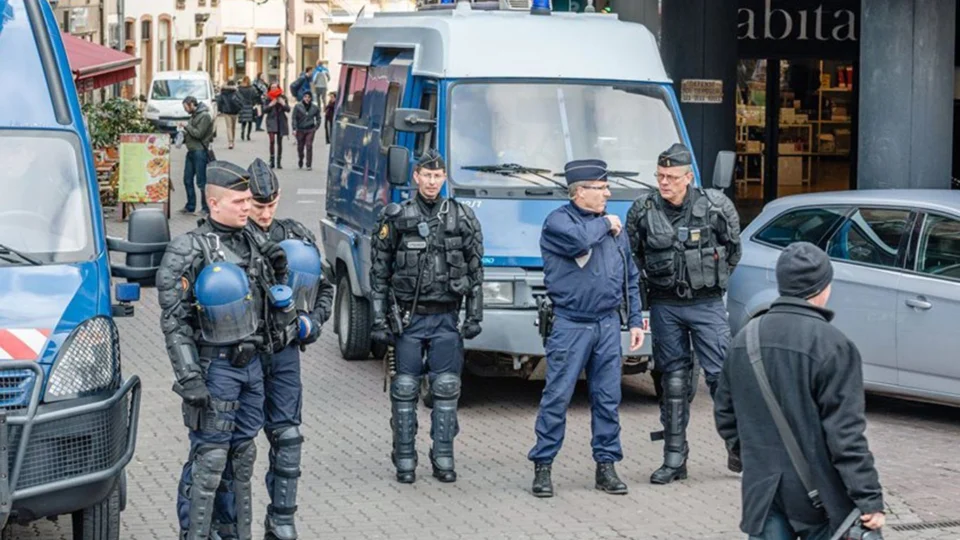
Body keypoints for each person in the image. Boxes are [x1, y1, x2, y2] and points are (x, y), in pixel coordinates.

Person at [714, 242, 886, 540]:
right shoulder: (834, 346)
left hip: (763, 490)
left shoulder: (744, 338)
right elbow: (845, 434)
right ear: (823, 287)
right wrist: (868, 497)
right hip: (821, 498)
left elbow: (725, 414)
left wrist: (752, 455)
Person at [156, 161, 290, 540]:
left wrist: (280, 275)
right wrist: (189, 377)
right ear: (214, 204)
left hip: (253, 367)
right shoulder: (188, 249)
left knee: (242, 457)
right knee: (209, 459)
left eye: (249, 200)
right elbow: (174, 320)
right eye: (239, 201)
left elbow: (274, 308)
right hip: (214, 368)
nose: (248, 208)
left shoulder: (256, 243)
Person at [223, 158, 332, 539]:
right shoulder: (229, 240)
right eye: (257, 205)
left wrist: (312, 323)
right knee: (237, 447)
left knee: (287, 437)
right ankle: (233, 526)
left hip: (284, 354)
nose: (265, 213)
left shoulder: (296, 234)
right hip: (244, 357)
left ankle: (282, 521)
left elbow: (326, 288)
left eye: (270, 205)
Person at [625, 142, 742, 485]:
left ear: (688, 177)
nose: (664, 183)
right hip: (666, 306)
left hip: (706, 305)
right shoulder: (642, 209)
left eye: (672, 177)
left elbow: (733, 251)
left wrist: (709, 282)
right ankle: (674, 458)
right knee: (672, 381)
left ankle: (738, 446)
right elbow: (633, 256)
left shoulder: (716, 206)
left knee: (722, 379)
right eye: (660, 176)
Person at [527, 159, 644, 498]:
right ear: (579, 192)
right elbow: (579, 243)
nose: (608, 193)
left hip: (607, 324)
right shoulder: (559, 223)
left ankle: (606, 466)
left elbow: (629, 277)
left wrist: (634, 319)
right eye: (601, 187)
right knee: (557, 396)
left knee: (608, 398)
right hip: (571, 323)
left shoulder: (612, 228)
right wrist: (607, 223)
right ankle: (543, 465)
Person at [369, 149, 484, 484]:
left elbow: (476, 271)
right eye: (426, 175)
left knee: (446, 388)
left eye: (438, 176)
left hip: (447, 317)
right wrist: (378, 320)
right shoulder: (396, 216)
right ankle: (404, 457)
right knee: (404, 389)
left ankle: (443, 455)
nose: (432, 182)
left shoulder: (462, 217)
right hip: (408, 318)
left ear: (444, 177)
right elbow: (379, 271)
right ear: (416, 176)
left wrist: (474, 315)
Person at [178, 96, 215, 216]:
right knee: (187, 179)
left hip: (199, 151)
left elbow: (199, 134)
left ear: (192, 104)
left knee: (201, 181)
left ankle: (205, 208)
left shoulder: (204, 116)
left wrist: (186, 126)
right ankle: (190, 206)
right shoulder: (194, 115)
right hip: (191, 151)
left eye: (186, 107)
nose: (185, 110)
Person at [291, 91, 321, 170]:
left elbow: (318, 118)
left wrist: (316, 127)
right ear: (303, 97)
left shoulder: (315, 107)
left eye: (308, 97)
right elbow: (294, 118)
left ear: (311, 98)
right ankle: (301, 159)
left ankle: (309, 164)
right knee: (300, 147)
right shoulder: (298, 106)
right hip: (300, 129)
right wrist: (294, 128)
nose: (307, 99)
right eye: (305, 97)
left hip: (310, 129)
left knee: (309, 145)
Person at [264, 84, 290, 169]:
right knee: (271, 141)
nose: (274, 89)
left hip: (281, 121)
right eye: (272, 87)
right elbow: (264, 110)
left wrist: (283, 103)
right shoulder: (268, 98)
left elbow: (288, 109)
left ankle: (279, 162)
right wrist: (271, 105)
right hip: (271, 121)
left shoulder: (283, 97)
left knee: (280, 142)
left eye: (275, 87)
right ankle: (272, 160)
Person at [217, 79, 243, 149]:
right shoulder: (236, 91)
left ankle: (230, 142)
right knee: (233, 127)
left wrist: (219, 110)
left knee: (228, 127)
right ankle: (232, 142)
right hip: (235, 111)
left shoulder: (223, 92)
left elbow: (219, 101)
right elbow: (241, 100)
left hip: (226, 111)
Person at [237, 76, 259, 142]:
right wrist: (254, 103)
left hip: (242, 105)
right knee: (250, 121)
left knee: (243, 121)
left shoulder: (240, 88)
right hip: (250, 105)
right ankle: (248, 135)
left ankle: (242, 132)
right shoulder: (252, 88)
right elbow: (255, 96)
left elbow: (237, 96)